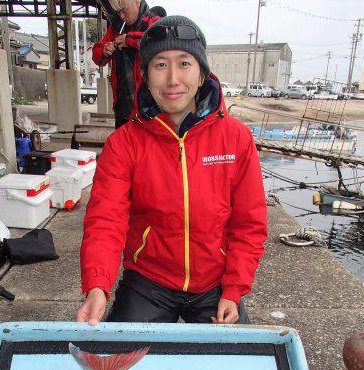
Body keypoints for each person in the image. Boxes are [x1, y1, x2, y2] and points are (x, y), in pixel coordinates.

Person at [77, 15, 267, 326]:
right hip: (148, 280)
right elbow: (105, 220)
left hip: (214, 284)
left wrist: (233, 289)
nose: (173, 79)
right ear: (146, 75)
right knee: (113, 364)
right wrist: (98, 286)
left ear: (202, 72)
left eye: (184, 63)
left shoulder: (236, 138)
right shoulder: (123, 143)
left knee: (233, 369)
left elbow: (249, 223)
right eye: (160, 65)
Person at [92, 0, 159, 129]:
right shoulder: (116, 27)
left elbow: (160, 44)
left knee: (148, 147)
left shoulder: (154, 22)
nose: (122, 16)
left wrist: (130, 40)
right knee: (122, 148)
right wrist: (105, 51)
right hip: (123, 109)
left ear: (137, 2)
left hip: (150, 109)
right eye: (119, 12)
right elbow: (97, 57)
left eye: (124, 10)